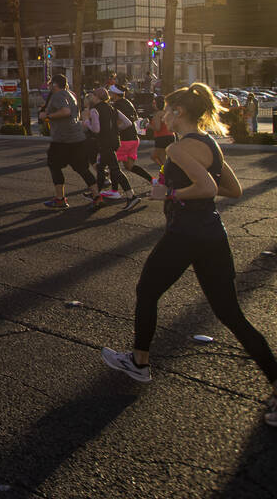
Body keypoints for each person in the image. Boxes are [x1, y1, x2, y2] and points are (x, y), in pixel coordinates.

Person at [101, 83, 277, 429]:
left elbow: (209, 189)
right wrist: (181, 190)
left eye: (166, 109)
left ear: (178, 112)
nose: (162, 115)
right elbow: (232, 189)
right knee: (230, 314)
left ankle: (139, 362)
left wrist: (168, 192)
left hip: (185, 234)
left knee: (147, 291)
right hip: (211, 235)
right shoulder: (210, 144)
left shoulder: (181, 149)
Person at [39, 74, 101, 210]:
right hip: (77, 137)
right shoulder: (70, 94)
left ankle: (60, 199)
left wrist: (47, 116)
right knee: (81, 168)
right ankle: (97, 196)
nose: (48, 86)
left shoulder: (58, 95)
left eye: (50, 83)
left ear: (55, 84)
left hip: (63, 138)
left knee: (54, 165)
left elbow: (66, 111)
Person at [88, 87, 136, 207]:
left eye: (93, 95)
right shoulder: (112, 108)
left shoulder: (95, 110)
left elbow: (96, 129)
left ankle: (131, 196)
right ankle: (96, 194)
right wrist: (115, 130)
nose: (92, 97)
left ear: (97, 97)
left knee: (115, 170)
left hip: (104, 142)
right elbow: (128, 123)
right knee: (101, 168)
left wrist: (86, 122)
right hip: (115, 141)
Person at [108, 85, 151, 211]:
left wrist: (113, 131)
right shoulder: (129, 103)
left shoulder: (116, 105)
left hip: (125, 139)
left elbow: (119, 123)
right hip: (134, 138)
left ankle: (115, 191)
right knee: (129, 166)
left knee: (113, 165)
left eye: (111, 92)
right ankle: (153, 181)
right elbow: (136, 120)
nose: (110, 94)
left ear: (115, 94)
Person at [149, 94, 174, 167]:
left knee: (155, 156)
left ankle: (166, 172)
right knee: (165, 158)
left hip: (161, 137)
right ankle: (166, 172)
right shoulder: (167, 113)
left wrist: (147, 126)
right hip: (170, 136)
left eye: (154, 103)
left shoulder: (158, 114)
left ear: (158, 104)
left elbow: (157, 128)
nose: (153, 105)